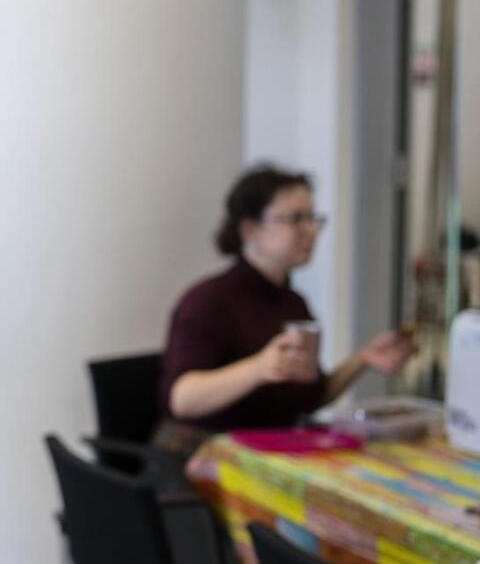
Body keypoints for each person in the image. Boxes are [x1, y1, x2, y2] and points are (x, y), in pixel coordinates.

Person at [157, 165, 415, 450]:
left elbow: (310, 397)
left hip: (270, 451)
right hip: (205, 456)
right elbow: (182, 399)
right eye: (295, 219)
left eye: (312, 218)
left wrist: (363, 358)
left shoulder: (293, 302)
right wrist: (259, 368)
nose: (310, 230)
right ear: (250, 229)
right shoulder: (207, 301)